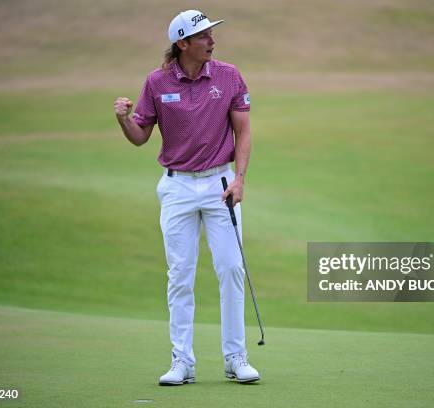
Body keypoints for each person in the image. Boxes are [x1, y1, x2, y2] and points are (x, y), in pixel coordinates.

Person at [113, 10, 260, 385]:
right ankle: (182, 362)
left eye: (211, 34)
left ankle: (235, 358)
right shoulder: (156, 82)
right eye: (203, 36)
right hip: (177, 187)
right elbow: (140, 136)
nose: (212, 41)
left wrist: (239, 179)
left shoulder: (228, 75)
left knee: (230, 268)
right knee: (180, 275)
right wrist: (124, 120)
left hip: (220, 184)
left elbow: (243, 133)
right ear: (183, 44)